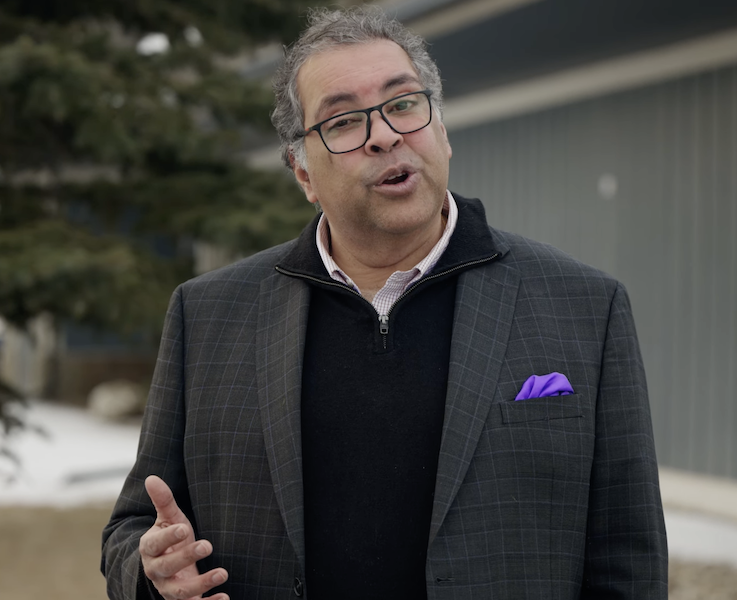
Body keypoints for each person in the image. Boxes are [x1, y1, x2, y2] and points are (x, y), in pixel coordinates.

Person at [101, 6, 668, 599]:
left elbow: (629, 559)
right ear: (303, 173)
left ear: (441, 132)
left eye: (403, 104)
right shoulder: (209, 315)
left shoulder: (582, 306)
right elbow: (133, 527)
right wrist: (150, 572)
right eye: (343, 121)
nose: (384, 134)